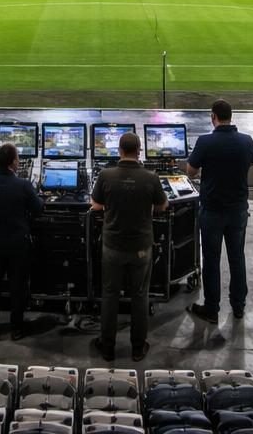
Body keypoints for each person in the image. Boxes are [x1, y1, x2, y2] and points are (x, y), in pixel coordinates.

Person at [90, 131, 168, 362]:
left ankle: (107, 347)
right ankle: (137, 348)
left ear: (119, 151)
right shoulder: (150, 177)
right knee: (139, 296)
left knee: (110, 295)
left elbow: (95, 204)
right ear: (139, 151)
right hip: (141, 248)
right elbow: (162, 205)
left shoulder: (106, 175)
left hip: (113, 246)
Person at [184, 99, 253, 323]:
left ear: (213, 117)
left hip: (213, 211)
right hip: (237, 210)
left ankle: (212, 309)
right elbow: (251, 161)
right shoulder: (246, 141)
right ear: (231, 116)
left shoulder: (205, 142)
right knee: (237, 257)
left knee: (212, 259)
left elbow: (191, 172)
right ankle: (238, 306)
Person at [0, 142, 43, 341]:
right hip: (16, 243)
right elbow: (38, 208)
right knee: (17, 286)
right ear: (14, 162)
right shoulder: (23, 185)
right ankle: (16, 328)